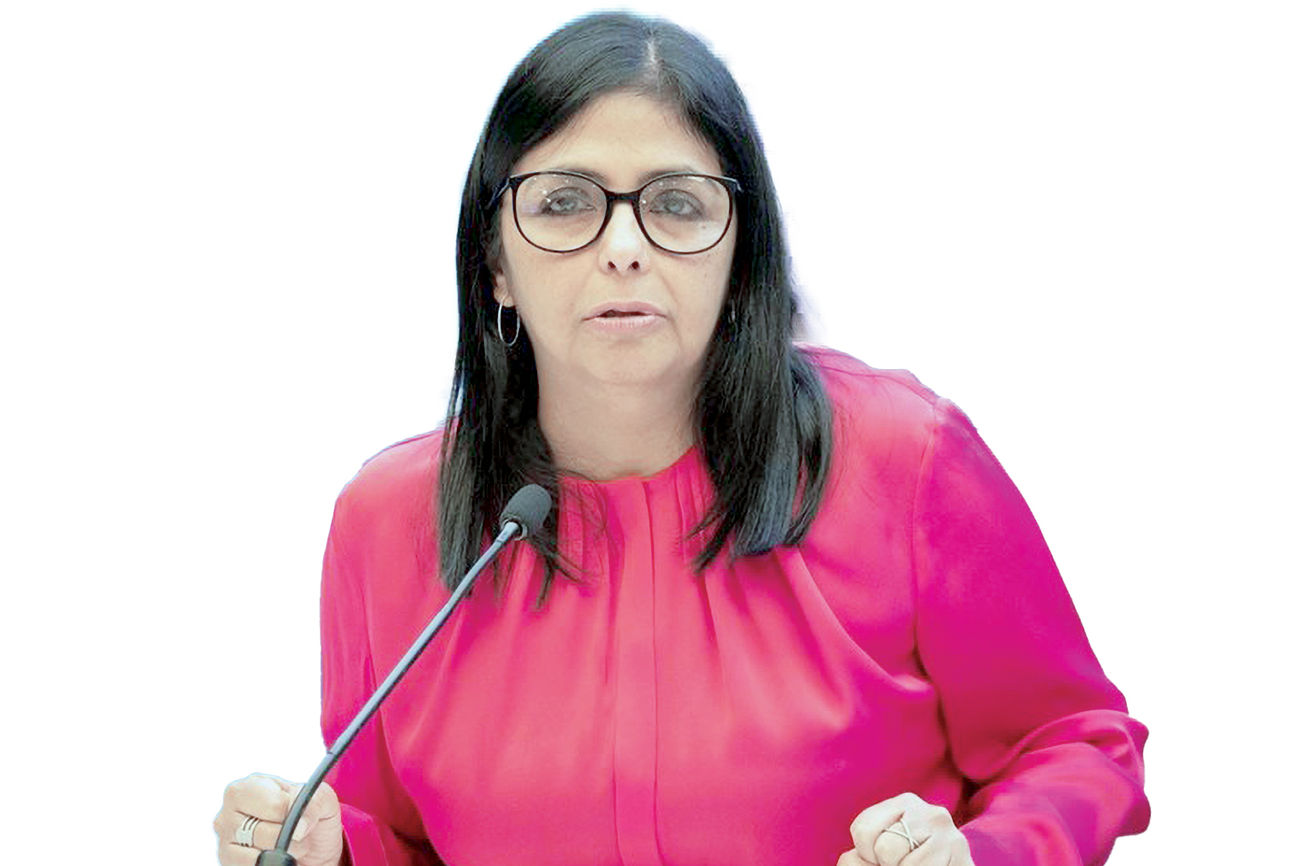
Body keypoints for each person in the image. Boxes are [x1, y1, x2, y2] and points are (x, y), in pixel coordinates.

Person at [213, 11, 1150, 866]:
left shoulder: (904, 461)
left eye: (677, 203)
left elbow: (1076, 745)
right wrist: (323, 850)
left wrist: (980, 857)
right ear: (493, 261)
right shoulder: (389, 522)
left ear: (741, 254)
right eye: (564, 202)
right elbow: (391, 833)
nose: (623, 247)